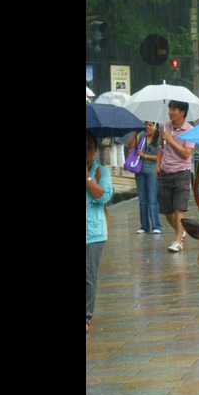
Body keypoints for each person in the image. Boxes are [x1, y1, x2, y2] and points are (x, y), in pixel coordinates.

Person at [157, 100, 195, 252]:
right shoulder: (164, 127)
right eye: (170, 109)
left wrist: (171, 140)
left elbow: (186, 154)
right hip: (165, 172)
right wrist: (157, 164)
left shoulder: (190, 131)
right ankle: (182, 230)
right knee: (167, 211)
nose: (171, 112)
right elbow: (161, 146)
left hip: (181, 173)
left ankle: (178, 241)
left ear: (182, 112)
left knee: (179, 209)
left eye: (174, 109)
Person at [87, 130, 114, 333]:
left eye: (89, 147)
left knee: (88, 277)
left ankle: (86, 318)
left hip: (93, 233)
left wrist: (87, 179)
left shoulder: (101, 172)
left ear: (95, 150)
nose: (85, 150)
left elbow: (102, 197)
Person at [126, 121, 163, 234]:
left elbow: (160, 157)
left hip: (152, 172)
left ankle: (156, 226)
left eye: (150, 125)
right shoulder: (142, 136)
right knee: (142, 200)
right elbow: (129, 146)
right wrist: (134, 135)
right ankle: (144, 226)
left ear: (156, 127)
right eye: (146, 125)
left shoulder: (159, 139)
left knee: (152, 199)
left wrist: (145, 155)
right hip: (139, 171)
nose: (148, 127)